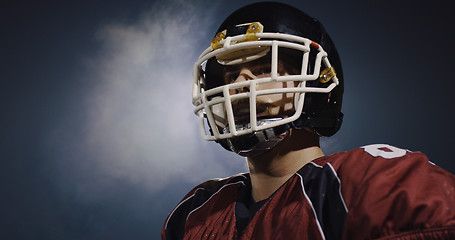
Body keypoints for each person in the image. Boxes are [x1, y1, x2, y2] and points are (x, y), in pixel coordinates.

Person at [161, 2, 455, 239]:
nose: (240, 84)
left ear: (316, 83)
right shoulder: (196, 212)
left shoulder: (368, 182)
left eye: (264, 70)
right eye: (231, 75)